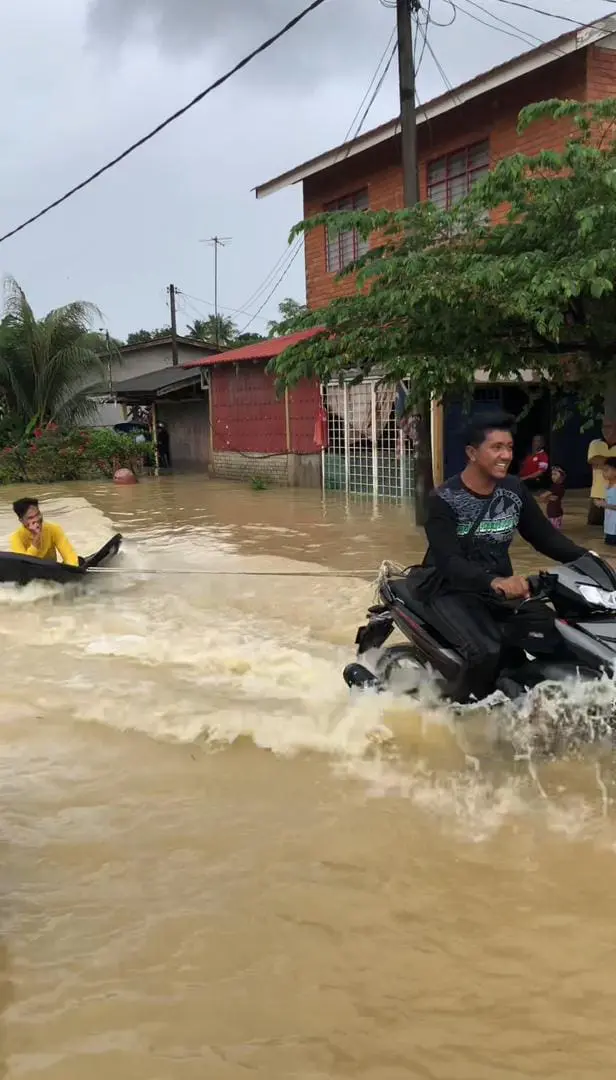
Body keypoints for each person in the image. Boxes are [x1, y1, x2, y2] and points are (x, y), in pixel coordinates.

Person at [422, 412, 587, 703]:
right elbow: (449, 562)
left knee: (558, 634)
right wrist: (495, 581)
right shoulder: (443, 499)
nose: (506, 455)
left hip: (503, 589)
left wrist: (592, 561)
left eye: (509, 447)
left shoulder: (514, 489)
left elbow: (546, 539)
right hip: (452, 589)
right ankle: (455, 711)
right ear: (472, 453)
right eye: (496, 447)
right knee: (486, 651)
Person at [10, 498, 79, 566]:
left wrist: (74, 569)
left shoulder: (54, 529)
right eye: (31, 518)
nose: (36, 519)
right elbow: (23, 566)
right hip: (31, 574)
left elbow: (69, 556)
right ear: (21, 521)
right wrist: (36, 540)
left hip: (52, 571)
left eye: (38, 514)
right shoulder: (16, 538)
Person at [587, 419, 616, 526]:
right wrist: (613, 462)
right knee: (594, 526)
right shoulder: (595, 443)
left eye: (609, 427)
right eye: (604, 427)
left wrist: (602, 461)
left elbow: (598, 461)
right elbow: (593, 460)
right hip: (597, 493)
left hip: (615, 493)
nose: (605, 430)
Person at [541, 465, 566, 530]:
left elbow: (544, 496)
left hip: (555, 513)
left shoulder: (557, 487)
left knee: (553, 530)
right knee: (554, 529)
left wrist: (544, 497)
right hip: (554, 512)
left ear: (562, 476)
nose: (553, 476)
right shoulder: (556, 486)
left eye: (555, 474)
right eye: (552, 474)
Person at [602, 462, 616, 547]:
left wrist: (605, 505)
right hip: (609, 524)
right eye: (603, 470)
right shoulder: (607, 486)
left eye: (606, 470)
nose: (604, 473)